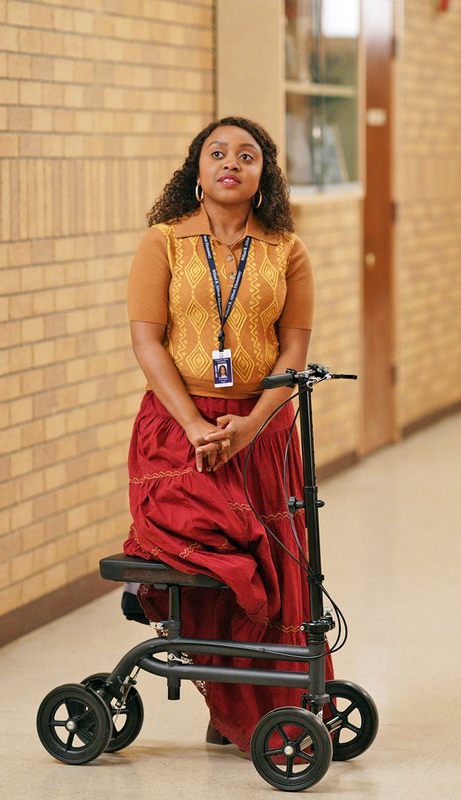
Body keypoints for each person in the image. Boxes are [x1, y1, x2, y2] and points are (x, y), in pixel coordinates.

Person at [124, 116, 328, 751]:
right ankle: (223, 684)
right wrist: (194, 425)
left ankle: (259, 703)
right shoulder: (164, 242)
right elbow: (145, 339)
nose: (231, 164)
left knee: (276, 561)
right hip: (174, 430)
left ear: (265, 173)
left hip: (261, 427)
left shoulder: (286, 250)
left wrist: (247, 428)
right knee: (226, 548)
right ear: (197, 168)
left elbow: (292, 350)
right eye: (217, 154)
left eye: (247, 155)